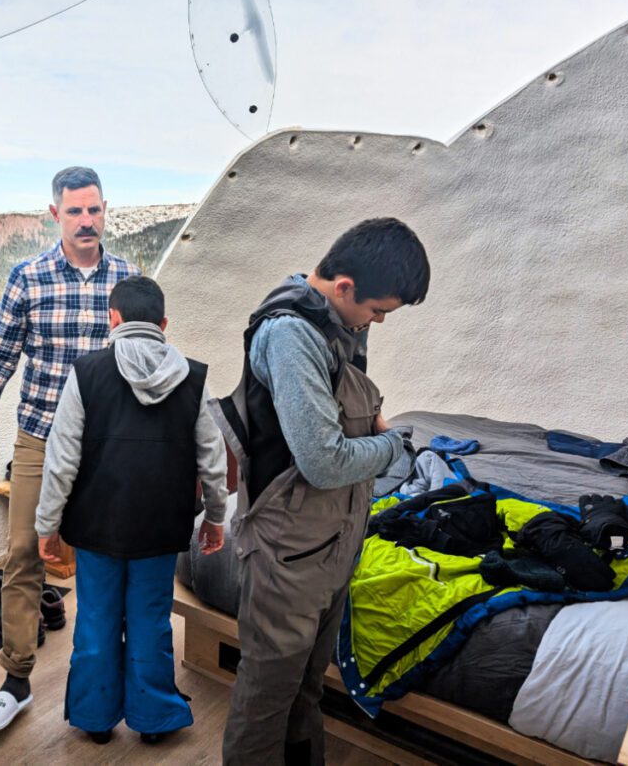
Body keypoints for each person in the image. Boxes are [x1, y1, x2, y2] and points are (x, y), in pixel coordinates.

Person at [213, 217, 431, 764]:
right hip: (288, 553)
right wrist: (394, 446)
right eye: (378, 310)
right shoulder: (290, 336)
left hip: (333, 541)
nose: (377, 322)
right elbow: (324, 459)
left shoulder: (341, 324)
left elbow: (352, 413)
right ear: (344, 286)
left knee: (307, 685)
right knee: (267, 696)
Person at [0, 166, 140, 732]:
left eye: (95, 209)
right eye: (75, 211)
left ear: (107, 210)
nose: (86, 220)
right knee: (24, 555)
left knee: (111, 560)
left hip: (108, 446)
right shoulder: (26, 278)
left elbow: (145, 361)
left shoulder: (128, 280)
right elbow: (1, 355)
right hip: (39, 439)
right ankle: (16, 681)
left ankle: (108, 681)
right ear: (55, 214)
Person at [35, 275, 228, 745]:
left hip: (98, 527)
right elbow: (212, 456)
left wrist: (47, 525)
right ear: (163, 324)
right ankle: (153, 720)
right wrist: (217, 516)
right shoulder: (193, 376)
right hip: (161, 530)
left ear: (113, 319)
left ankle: (95, 719)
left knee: (97, 620)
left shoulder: (85, 372)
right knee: (150, 621)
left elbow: (61, 460)